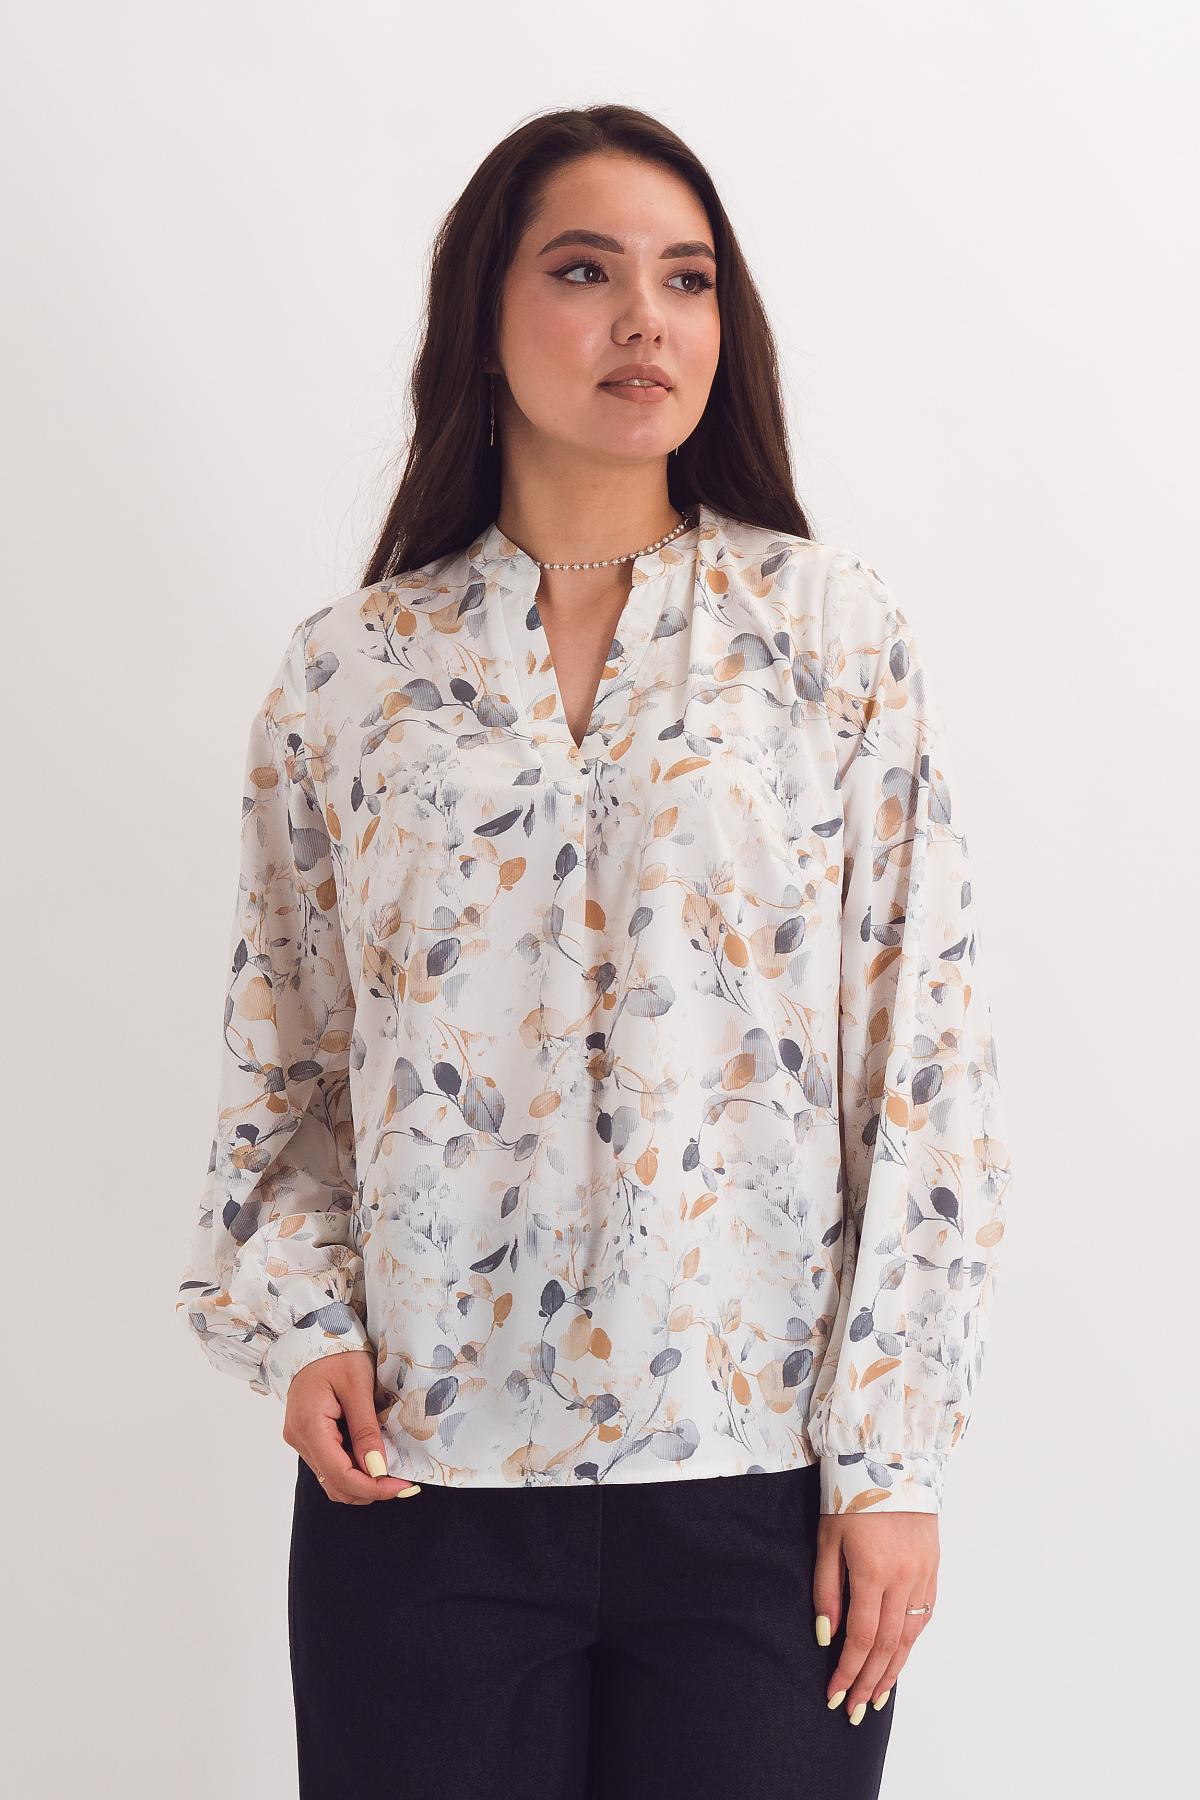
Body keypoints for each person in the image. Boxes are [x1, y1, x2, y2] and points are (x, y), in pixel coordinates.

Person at [176, 103, 1012, 1800]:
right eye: (585, 271)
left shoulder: (832, 638)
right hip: (417, 1489)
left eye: (688, 280)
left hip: (757, 1492)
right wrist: (304, 1324)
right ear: (483, 320)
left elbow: (922, 1064)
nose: (648, 319)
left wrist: (892, 1462)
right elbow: (290, 1060)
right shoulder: (349, 673)